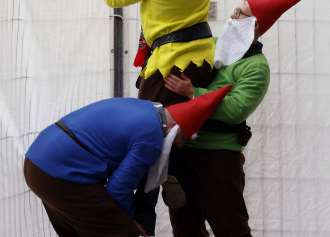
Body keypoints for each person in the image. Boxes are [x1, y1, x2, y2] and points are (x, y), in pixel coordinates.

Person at [163, 0, 310, 237]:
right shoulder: (212, 46)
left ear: (255, 25)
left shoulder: (256, 67)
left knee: (230, 228)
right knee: (185, 228)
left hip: (219, 156)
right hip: (183, 149)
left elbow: (235, 109)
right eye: (235, 9)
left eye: (240, 13)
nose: (232, 16)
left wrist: (193, 92)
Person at [23, 85, 232, 237]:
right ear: (173, 128)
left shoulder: (145, 108)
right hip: (59, 173)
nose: (179, 145)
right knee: (123, 232)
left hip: (38, 162)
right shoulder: (151, 137)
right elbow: (117, 189)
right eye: (183, 138)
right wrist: (131, 221)